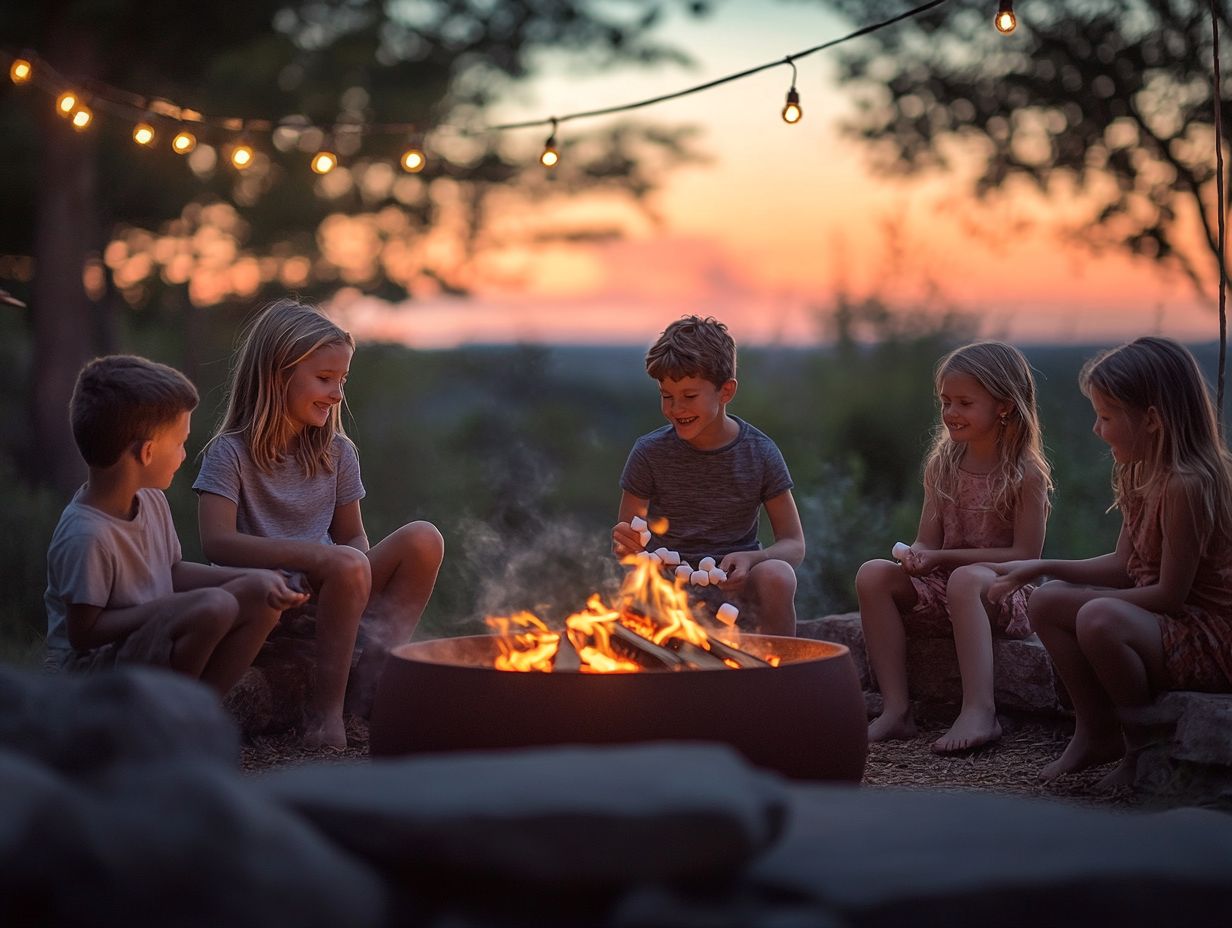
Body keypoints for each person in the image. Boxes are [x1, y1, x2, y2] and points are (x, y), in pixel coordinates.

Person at [194, 299, 443, 749]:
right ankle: (324, 716)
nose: (337, 394)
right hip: (265, 598)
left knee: (424, 539)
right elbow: (216, 541)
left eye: (342, 381)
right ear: (277, 375)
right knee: (345, 563)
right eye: (325, 380)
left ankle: (369, 689)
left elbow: (351, 535)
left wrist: (352, 570)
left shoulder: (338, 453)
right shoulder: (228, 453)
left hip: (334, 591)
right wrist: (316, 557)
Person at [989, 337, 1232, 787]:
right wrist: (1040, 569)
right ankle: (1097, 731)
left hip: (1210, 637)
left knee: (1099, 616)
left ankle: (1144, 746)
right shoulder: (1141, 470)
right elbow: (1125, 564)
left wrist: (1094, 606)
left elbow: (1169, 595)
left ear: (1154, 420)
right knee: (1046, 602)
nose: (1096, 430)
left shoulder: (1187, 484)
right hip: (1169, 624)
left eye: (1105, 416)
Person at [44, 355, 306, 693]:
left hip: (145, 643)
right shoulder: (87, 535)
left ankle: (200, 713)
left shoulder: (150, 499)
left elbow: (173, 571)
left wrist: (254, 576)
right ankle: (167, 720)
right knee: (216, 605)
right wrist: (176, 606)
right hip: (93, 675)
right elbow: (85, 634)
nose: (184, 454)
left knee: (262, 595)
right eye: (180, 442)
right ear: (147, 453)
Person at [857, 341, 1052, 754]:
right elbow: (929, 538)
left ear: (1003, 406)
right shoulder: (943, 464)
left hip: (1000, 592)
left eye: (964, 403)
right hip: (946, 586)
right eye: (945, 402)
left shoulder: (1025, 474)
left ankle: (980, 710)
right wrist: (916, 554)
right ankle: (896, 710)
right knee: (873, 574)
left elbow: (1026, 558)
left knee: (965, 579)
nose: (950, 414)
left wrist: (942, 558)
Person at [611, 315, 804, 635]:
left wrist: (752, 559)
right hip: (669, 590)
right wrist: (626, 546)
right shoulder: (649, 453)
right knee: (635, 583)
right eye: (666, 395)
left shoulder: (760, 453)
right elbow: (627, 548)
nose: (676, 409)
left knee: (778, 575)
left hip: (737, 590)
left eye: (689, 396)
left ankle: (778, 674)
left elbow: (794, 544)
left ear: (725, 391)